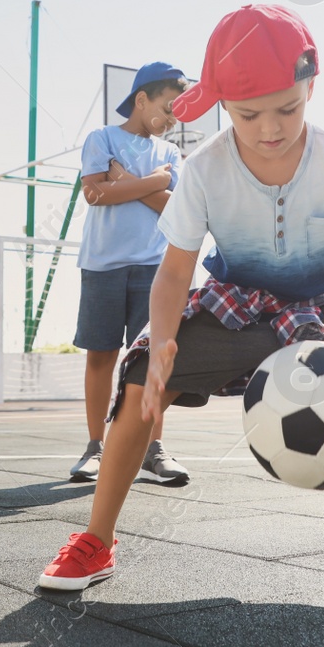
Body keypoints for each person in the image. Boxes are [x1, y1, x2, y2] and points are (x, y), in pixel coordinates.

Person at [37, 5, 324, 597]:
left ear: (311, 87)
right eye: (249, 114)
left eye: (288, 108)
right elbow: (175, 272)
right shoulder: (202, 169)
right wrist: (165, 341)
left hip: (323, 304)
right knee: (139, 384)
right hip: (234, 305)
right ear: (224, 105)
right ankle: (96, 540)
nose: (270, 127)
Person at [69, 62, 193, 486]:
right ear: (142, 100)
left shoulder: (172, 154)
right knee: (101, 355)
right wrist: (148, 183)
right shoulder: (101, 138)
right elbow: (95, 193)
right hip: (102, 264)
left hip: (155, 269)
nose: (173, 118)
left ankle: (152, 449)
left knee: (151, 358)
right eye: (167, 108)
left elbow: (173, 209)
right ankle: (95, 448)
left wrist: (125, 178)